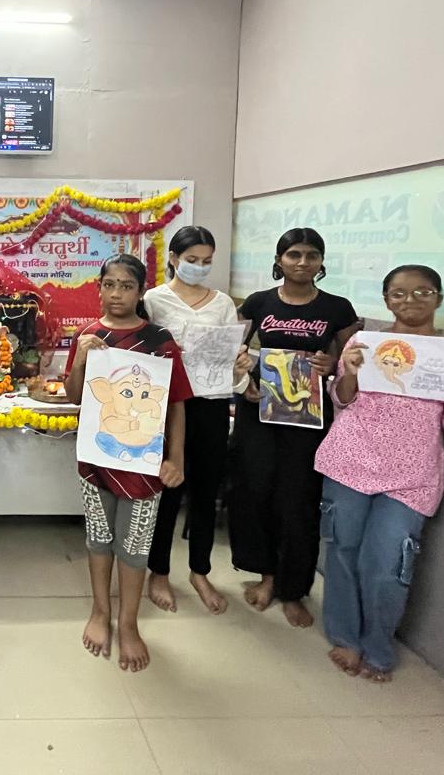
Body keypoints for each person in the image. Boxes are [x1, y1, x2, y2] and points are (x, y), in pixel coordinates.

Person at [317, 265, 444, 681]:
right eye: (398, 294)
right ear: (385, 300)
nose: (409, 302)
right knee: (343, 551)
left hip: (411, 475)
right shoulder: (364, 343)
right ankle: (346, 638)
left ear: (439, 298)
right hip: (350, 462)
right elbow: (342, 401)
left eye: (421, 293)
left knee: (388, 565)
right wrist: (352, 373)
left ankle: (378, 647)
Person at [65, 254, 193, 672]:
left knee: (135, 547)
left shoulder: (159, 339)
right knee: (99, 539)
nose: (116, 293)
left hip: (145, 466)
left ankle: (129, 623)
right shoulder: (88, 335)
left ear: (140, 292)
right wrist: (83, 358)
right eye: (108, 284)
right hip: (97, 461)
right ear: (98, 287)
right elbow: (74, 396)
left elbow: (175, 403)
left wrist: (176, 458)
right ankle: (101, 611)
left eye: (126, 286)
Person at [231, 228, 360, 628]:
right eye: (294, 255)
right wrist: (245, 379)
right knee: (256, 494)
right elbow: (231, 351)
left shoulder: (338, 308)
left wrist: (331, 366)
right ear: (279, 259)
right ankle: (266, 577)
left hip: (307, 420)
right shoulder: (259, 302)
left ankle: (293, 590)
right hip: (258, 415)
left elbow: (355, 362)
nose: (302, 262)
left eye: (311, 255)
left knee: (298, 504)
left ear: (321, 262)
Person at [142, 226, 253, 615]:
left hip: (211, 403)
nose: (199, 268)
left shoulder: (222, 302)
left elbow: (232, 353)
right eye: (192, 261)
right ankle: (158, 571)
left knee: (205, 490)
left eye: (206, 262)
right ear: (173, 258)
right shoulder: (153, 299)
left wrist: (241, 362)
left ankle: (200, 571)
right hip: (169, 405)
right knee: (167, 489)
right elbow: (142, 348)